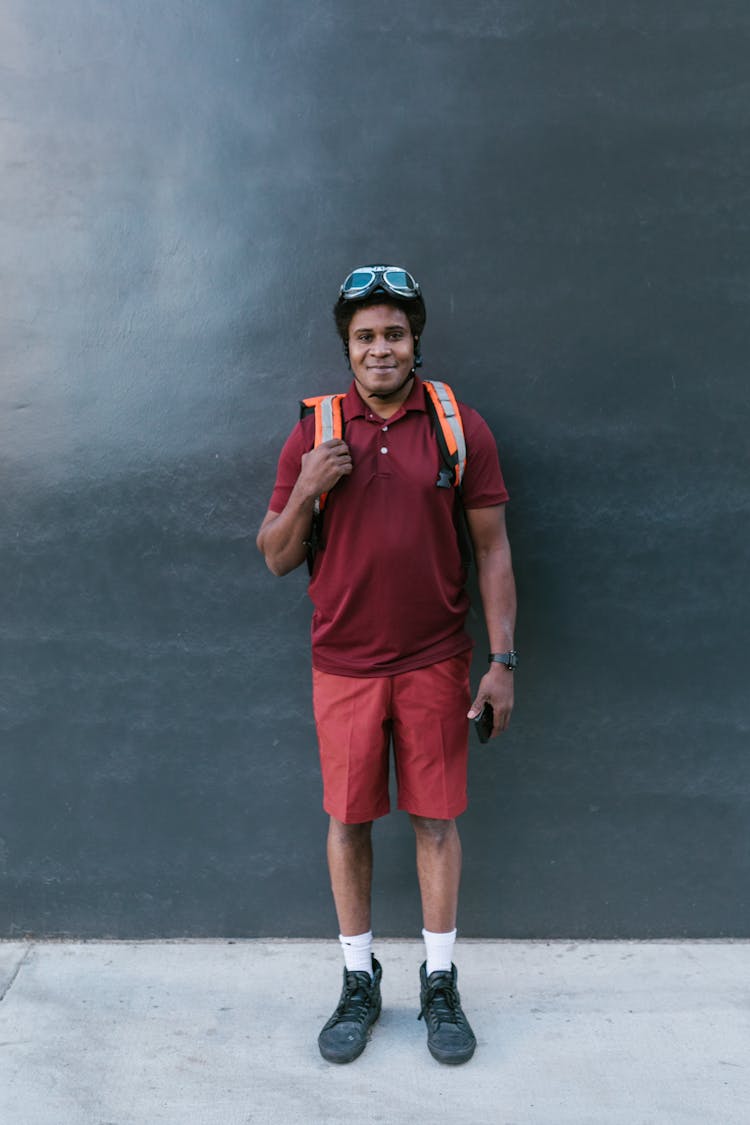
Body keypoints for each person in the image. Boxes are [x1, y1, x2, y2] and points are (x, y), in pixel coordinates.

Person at [256, 264, 517, 1065]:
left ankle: (439, 981)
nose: (380, 349)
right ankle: (357, 978)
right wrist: (305, 488)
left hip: (437, 659)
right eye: (365, 336)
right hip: (343, 665)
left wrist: (502, 661)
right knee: (350, 819)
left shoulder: (456, 423)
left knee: (436, 819)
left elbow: (493, 550)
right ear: (347, 346)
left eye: (394, 334)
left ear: (415, 342)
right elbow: (274, 557)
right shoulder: (314, 429)